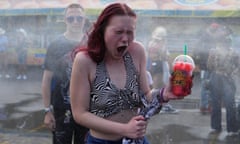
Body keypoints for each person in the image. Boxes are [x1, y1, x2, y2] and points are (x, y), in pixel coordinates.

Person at [70, 3, 190, 144]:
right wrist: (124, 129)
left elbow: (145, 96)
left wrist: (163, 94)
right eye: (119, 32)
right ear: (102, 30)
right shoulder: (85, 61)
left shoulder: (137, 51)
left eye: (130, 32)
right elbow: (80, 114)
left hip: (135, 140)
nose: (125, 39)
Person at [41, 3, 88, 144]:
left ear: (84, 20)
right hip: (62, 109)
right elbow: (46, 80)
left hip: (87, 109)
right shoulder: (56, 45)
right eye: (71, 18)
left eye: (79, 18)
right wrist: (47, 111)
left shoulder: (92, 43)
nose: (75, 22)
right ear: (65, 20)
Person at [207, 25, 240, 136]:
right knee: (229, 103)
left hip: (218, 78)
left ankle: (217, 127)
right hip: (225, 78)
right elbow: (238, 67)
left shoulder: (214, 51)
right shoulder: (233, 53)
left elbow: (209, 66)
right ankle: (232, 128)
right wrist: (233, 73)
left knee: (217, 103)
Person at [146, 26, 179, 114]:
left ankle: (160, 105)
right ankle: (158, 105)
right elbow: (163, 56)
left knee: (159, 87)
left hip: (155, 66)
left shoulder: (151, 42)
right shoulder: (158, 44)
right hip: (158, 66)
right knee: (159, 87)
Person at [193, 23, 220, 114]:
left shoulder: (206, 38)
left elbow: (196, 50)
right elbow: (197, 50)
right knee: (208, 86)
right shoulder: (206, 38)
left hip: (208, 66)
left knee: (208, 85)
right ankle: (205, 106)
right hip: (206, 66)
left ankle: (205, 106)